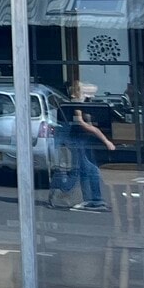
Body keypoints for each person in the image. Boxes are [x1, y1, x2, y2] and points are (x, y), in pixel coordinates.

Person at [61, 80, 116, 211]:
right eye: (83, 90)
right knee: (89, 169)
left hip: (83, 140)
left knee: (85, 170)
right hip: (78, 139)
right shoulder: (76, 103)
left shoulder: (83, 103)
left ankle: (91, 199)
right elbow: (82, 123)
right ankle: (94, 199)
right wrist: (104, 139)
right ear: (76, 93)